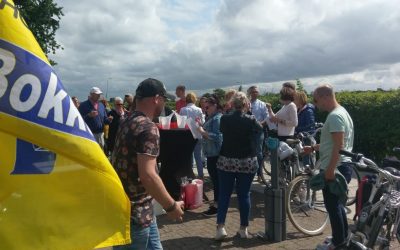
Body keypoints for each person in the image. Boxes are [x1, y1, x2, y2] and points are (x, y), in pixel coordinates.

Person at [112, 78, 184, 250]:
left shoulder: (126, 121)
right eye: (164, 99)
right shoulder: (148, 127)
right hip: (136, 215)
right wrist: (171, 206)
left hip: (133, 209)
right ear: (156, 98)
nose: (164, 104)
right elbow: (148, 175)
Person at [304, 84, 354, 250]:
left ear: (326, 97)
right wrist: (313, 148)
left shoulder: (334, 116)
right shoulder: (342, 112)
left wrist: (331, 169)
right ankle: (343, 237)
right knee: (337, 204)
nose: (316, 105)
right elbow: (331, 143)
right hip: (342, 165)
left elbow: (338, 145)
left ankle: (339, 242)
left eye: (316, 101)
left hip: (336, 166)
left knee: (333, 206)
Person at [215, 92, 262, 240]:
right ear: (246, 104)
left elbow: (222, 131)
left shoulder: (225, 119)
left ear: (232, 104)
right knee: (244, 195)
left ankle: (220, 228)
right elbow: (260, 130)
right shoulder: (251, 119)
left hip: (227, 160)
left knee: (224, 194)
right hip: (247, 161)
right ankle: (243, 229)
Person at [198, 95, 223, 216]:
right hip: (211, 153)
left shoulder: (217, 118)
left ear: (215, 106)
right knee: (216, 181)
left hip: (215, 154)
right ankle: (217, 205)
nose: (205, 109)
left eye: (207, 107)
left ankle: (217, 206)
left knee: (217, 181)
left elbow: (218, 137)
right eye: (204, 107)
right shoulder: (212, 117)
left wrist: (203, 132)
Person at [180, 92, 205, 178]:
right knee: (198, 157)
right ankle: (201, 175)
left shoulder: (182, 110)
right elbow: (202, 123)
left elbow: (181, 124)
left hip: (187, 136)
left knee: (189, 157)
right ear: (194, 99)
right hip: (198, 135)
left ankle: (190, 175)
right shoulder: (199, 109)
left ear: (186, 100)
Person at [247, 86, 268, 183]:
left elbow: (266, 118)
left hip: (258, 131)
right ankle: (249, 172)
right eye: (253, 92)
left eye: (256, 92)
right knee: (248, 152)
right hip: (247, 131)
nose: (255, 93)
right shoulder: (246, 103)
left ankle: (259, 174)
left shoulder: (262, 104)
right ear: (249, 93)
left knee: (259, 153)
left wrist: (260, 124)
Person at [294, 91, 316, 167]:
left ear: (300, 99)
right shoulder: (299, 109)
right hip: (301, 136)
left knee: (308, 157)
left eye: (295, 99)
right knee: (304, 156)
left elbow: (311, 125)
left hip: (307, 137)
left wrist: (297, 129)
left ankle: (309, 174)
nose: (294, 100)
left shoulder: (308, 110)